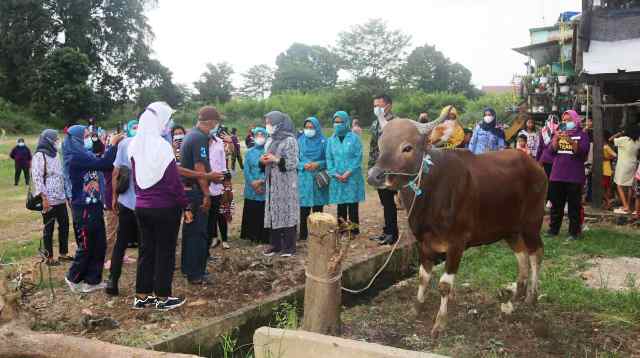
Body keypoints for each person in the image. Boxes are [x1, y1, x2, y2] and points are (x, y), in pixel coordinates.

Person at [129, 102, 190, 310]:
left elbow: (135, 179)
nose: (168, 124)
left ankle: (142, 295)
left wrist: (142, 198)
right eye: (166, 120)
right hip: (165, 208)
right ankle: (163, 297)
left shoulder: (134, 145)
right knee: (165, 251)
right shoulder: (163, 146)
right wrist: (186, 205)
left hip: (142, 206)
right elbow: (174, 182)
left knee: (147, 250)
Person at [62, 124, 123, 293]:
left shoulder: (85, 154)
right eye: (86, 136)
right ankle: (73, 277)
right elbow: (104, 163)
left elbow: (105, 164)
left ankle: (92, 280)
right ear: (75, 139)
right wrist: (112, 144)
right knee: (88, 244)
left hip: (94, 204)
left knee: (100, 244)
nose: (89, 138)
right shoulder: (74, 157)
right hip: (83, 207)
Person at [180, 106, 219, 285]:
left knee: (190, 230)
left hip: (187, 190)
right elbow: (199, 167)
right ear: (211, 122)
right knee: (198, 232)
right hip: (195, 191)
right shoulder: (200, 138)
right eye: (216, 122)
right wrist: (206, 194)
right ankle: (196, 274)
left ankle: (188, 268)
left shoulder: (190, 134)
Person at [105, 120, 140, 296]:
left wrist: (114, 196)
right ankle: (145, 284)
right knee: (147, 244)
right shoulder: (154, 143)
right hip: (145, 202)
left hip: (126, 200)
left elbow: (115, 172)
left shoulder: (124, 143)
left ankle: (112, 280)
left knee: (121, 241)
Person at [261, 111, 299, 257]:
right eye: (267, 122)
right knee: (273, 211)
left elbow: (293, 162)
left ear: (279, 123)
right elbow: (267, 158)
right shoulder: (270, 140)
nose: (268, 125)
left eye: (270, 122)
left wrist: (275, 159)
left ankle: (289, 247)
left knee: (287, 211)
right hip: (272, 182)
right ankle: (275, 245)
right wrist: (263, 161)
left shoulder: (290, 140)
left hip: (286, 182)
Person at [547, 110, 590, 241]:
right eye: (564, 120)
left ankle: (574, 232)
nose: (566, 122)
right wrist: (556, 138)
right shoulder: (558, 133)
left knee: (574, 206)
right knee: (556, 206)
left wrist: (569, 140)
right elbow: (551, 151)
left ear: (575, 121)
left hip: (574, 176)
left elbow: (582, 153)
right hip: (557, 175)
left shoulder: (582, 135)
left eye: (568, 120)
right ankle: (553, 230)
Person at [31, 130, 71, 265]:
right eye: (55, 139)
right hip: (48, 199)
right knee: (49, 228)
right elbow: (37, 178)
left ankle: (63, 254)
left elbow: (61, 174)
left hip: (60, 197)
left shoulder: (55, 154)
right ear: (48, 140)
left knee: (64, 225)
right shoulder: (39, 155)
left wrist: (66, 193)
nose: (57, 141)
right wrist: (44, 198)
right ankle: (49, 257)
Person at [326, 111, 365, 237]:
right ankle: (342, 229)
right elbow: (329, 158)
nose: (337, 124)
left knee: (352, 204)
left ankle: (354, 230)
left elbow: (358, 157)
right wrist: (335, 173)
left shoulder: (354, 138)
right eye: (335, 122)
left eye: (340, 122)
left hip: (352, 176)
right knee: (341, 204)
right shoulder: (331, 140)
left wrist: (348, 172)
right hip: (337, 177)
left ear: (346, 122)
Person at [369, 94, 399, 245]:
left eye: (379, 105)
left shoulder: (395, 122)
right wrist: (370, 167)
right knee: (384, 201)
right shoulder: (375, 123)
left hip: (389, 168)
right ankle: (386, 231)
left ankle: (392, 234)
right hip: (377, 167)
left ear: (389, 105)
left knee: (389, 201)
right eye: (375, 105)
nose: (376, 108)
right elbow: (373, 147)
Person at [298, 117, 329, 241]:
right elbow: (294, 159)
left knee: (318, 208)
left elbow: (329, 160)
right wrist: (303, 165)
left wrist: (318, 164)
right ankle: (303, 235)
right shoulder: (299, 141)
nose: (309, 130)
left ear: (317, 128)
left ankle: (318, 234)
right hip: (304, 177)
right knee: (303, 208)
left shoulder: (324, 141)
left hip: (318, 178)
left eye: (311, 127)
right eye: (307, 127)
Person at [240, 127, 269, 244]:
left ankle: (263, 236)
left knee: (263, 211)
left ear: (267, 137)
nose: (260, 138)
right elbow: (246, 170)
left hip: (264, 186)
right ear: (254, 137)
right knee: (252, 210)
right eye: (258, 135)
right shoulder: (249, 152)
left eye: (263, 136)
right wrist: (252, 182)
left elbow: (269, 169)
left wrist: (262, 181)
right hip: (251, 187)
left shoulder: (268, 152)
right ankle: (251, 235)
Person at [208, 126, 231, 250]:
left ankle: (225, 239)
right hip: (205, 182)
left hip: (219, 181)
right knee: (210, 213)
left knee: (221, 211)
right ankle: (213, 237)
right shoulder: (199, 142)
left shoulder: (220, 142)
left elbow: (225, 161)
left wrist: (224, 181)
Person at [611, 123, 640, 214]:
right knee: (630, 186)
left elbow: (610, 139)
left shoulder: (624, 139)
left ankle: (626, 206)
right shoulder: (638, 141)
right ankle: (628, 204)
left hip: (623, 165)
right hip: (633, 164)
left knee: (619, 185)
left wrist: (620, 133)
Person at [536, 114, 559, 207]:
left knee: (553, 181)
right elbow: (540, 147)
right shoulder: (544, 131)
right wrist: (537, 160)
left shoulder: (558, 131)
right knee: (548, 181)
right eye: (550, 121)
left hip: (555, 160)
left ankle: (551, 199)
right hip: (547, 160)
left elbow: (540, 148)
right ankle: (548, 199)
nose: (552, 123)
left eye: (554, 122)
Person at [602, 130, 617, 210]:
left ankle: (608, 203)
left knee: (604, 187)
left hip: (606, 169)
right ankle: (607, 203)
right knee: (605, 187)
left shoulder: (606, 147)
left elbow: (615, 155)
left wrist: (607, 158)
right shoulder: (602, 146)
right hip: (603, 169)